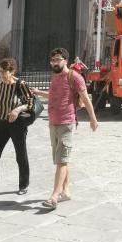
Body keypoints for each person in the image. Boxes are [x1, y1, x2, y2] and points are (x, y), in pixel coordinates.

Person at [32, 47, 98, 209]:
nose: (54, 63)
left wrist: (93, 118)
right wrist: (39, 92)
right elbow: (54, 96)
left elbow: (85, 98)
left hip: (67, 123)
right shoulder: (54, 76)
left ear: (66, 61)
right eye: (52, 60)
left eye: (58, 60)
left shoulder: (75, 77)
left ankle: (54, 195)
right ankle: (66, 192)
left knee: (62, 160)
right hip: (53, 122)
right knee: (61, 160)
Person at [0, 57, 33, 203]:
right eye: (1, 71)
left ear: (12, 71)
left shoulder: (20, 84)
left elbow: (30, 102)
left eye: (6, 72)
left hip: (17, 125)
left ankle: (24, 184)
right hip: (1, 124)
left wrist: (17, 109)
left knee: (20, 154)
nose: (2, 74)